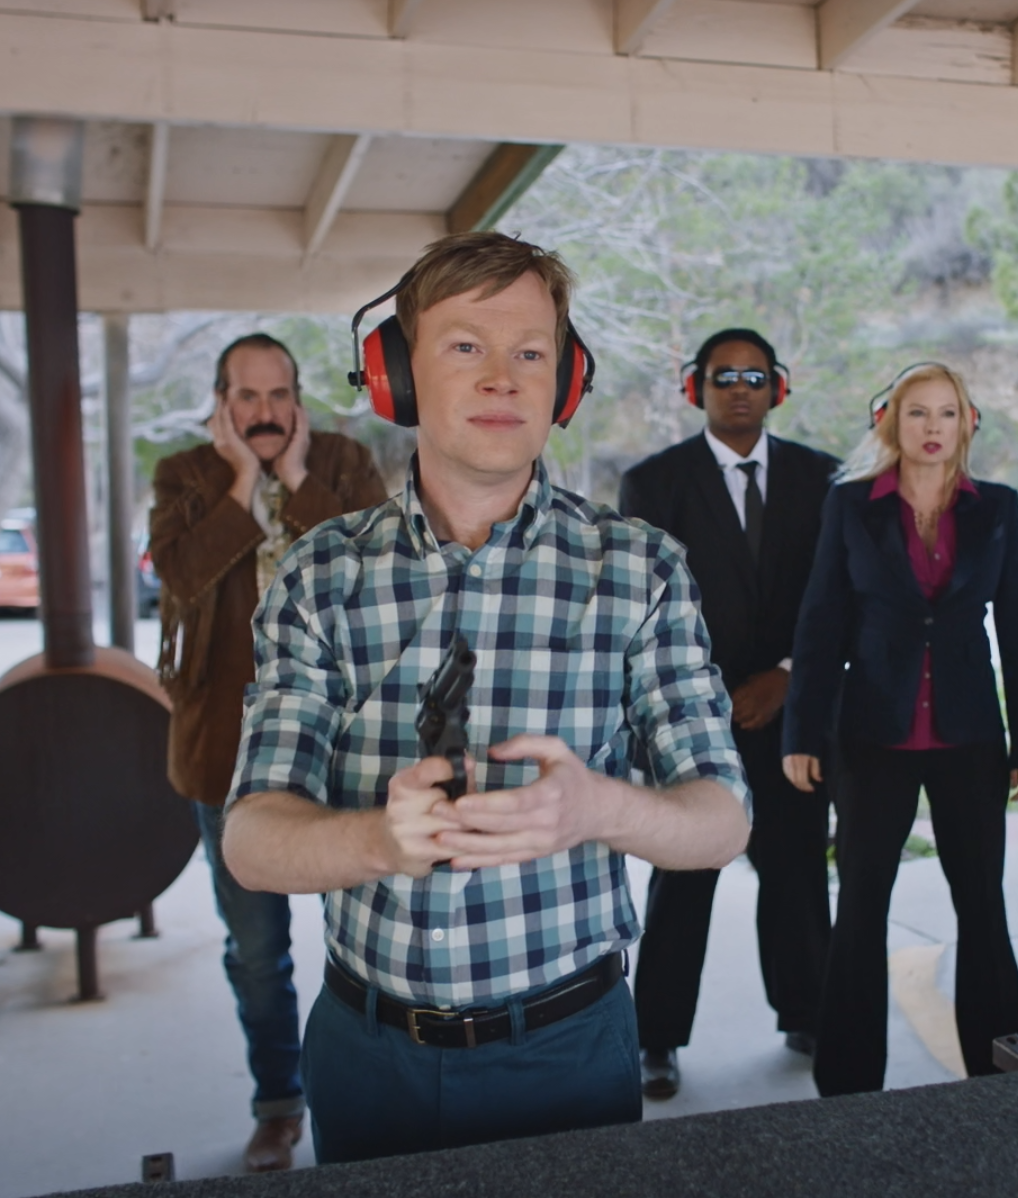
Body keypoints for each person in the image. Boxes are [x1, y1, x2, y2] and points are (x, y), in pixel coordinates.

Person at [221, 231, 751, 1162]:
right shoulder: (316, 576)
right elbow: (251, 841)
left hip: (571, 1049)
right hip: (366, 1052)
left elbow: (723, 821)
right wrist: (380, 842)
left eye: (532, 352)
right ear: (397, 375)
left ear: (565, 383)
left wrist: (597, 809)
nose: (503, 377)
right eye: (467, 345)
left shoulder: (642, 569)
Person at [148, 332, 387, 1172]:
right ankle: (279, 1105)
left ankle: (367, 1096)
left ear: (299, 399)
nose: (264, 412)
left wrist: (296, 480)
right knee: (257, 951)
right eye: (246, 397)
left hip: (349, 747)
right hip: (226, 750)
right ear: (221, 405)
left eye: (278, 394)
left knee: (367, 938)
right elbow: (180, 577)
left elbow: (379, 572)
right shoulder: (185, 476)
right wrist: (242, 485)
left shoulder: (345, 465)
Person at [782, 362, 1018, 1097]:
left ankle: (1003, 1076)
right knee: (861, 909)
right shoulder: (851, 505)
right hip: (872, 737)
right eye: (917, 413)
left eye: (947, 413)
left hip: (970, 738)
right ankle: (848, 1086)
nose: (933, 428)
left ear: (967, 424)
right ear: (891, 423)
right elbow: (820, 622)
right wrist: (801, 731)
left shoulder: (998, 506)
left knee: (982, 906)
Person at [618, 329, 840, 1099]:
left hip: (792, 716)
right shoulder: (654, 483)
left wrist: (785, 676)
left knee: (797, 873)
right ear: (696, 388)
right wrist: (712, 693)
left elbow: (836, 598)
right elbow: (646, 610)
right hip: (692, 720)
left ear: (778, 386)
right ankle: (656, 1037)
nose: (739, 389)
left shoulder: (825, 479)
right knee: (683, 880)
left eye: (754, 376)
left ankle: (807, 1013)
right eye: (723, 376)